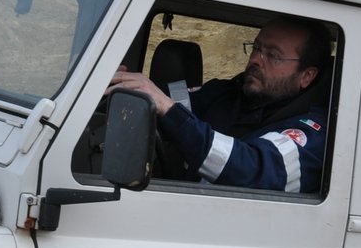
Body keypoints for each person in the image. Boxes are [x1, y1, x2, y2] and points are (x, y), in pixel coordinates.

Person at [108, 17, 329, 193]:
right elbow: (169, 105)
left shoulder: (311, 133)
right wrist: (123, 85)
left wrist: (168, 108)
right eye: (256, 48)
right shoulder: (229, 92)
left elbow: (250, 170)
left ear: (307, 76)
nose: (256, 60)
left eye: (273, 55)